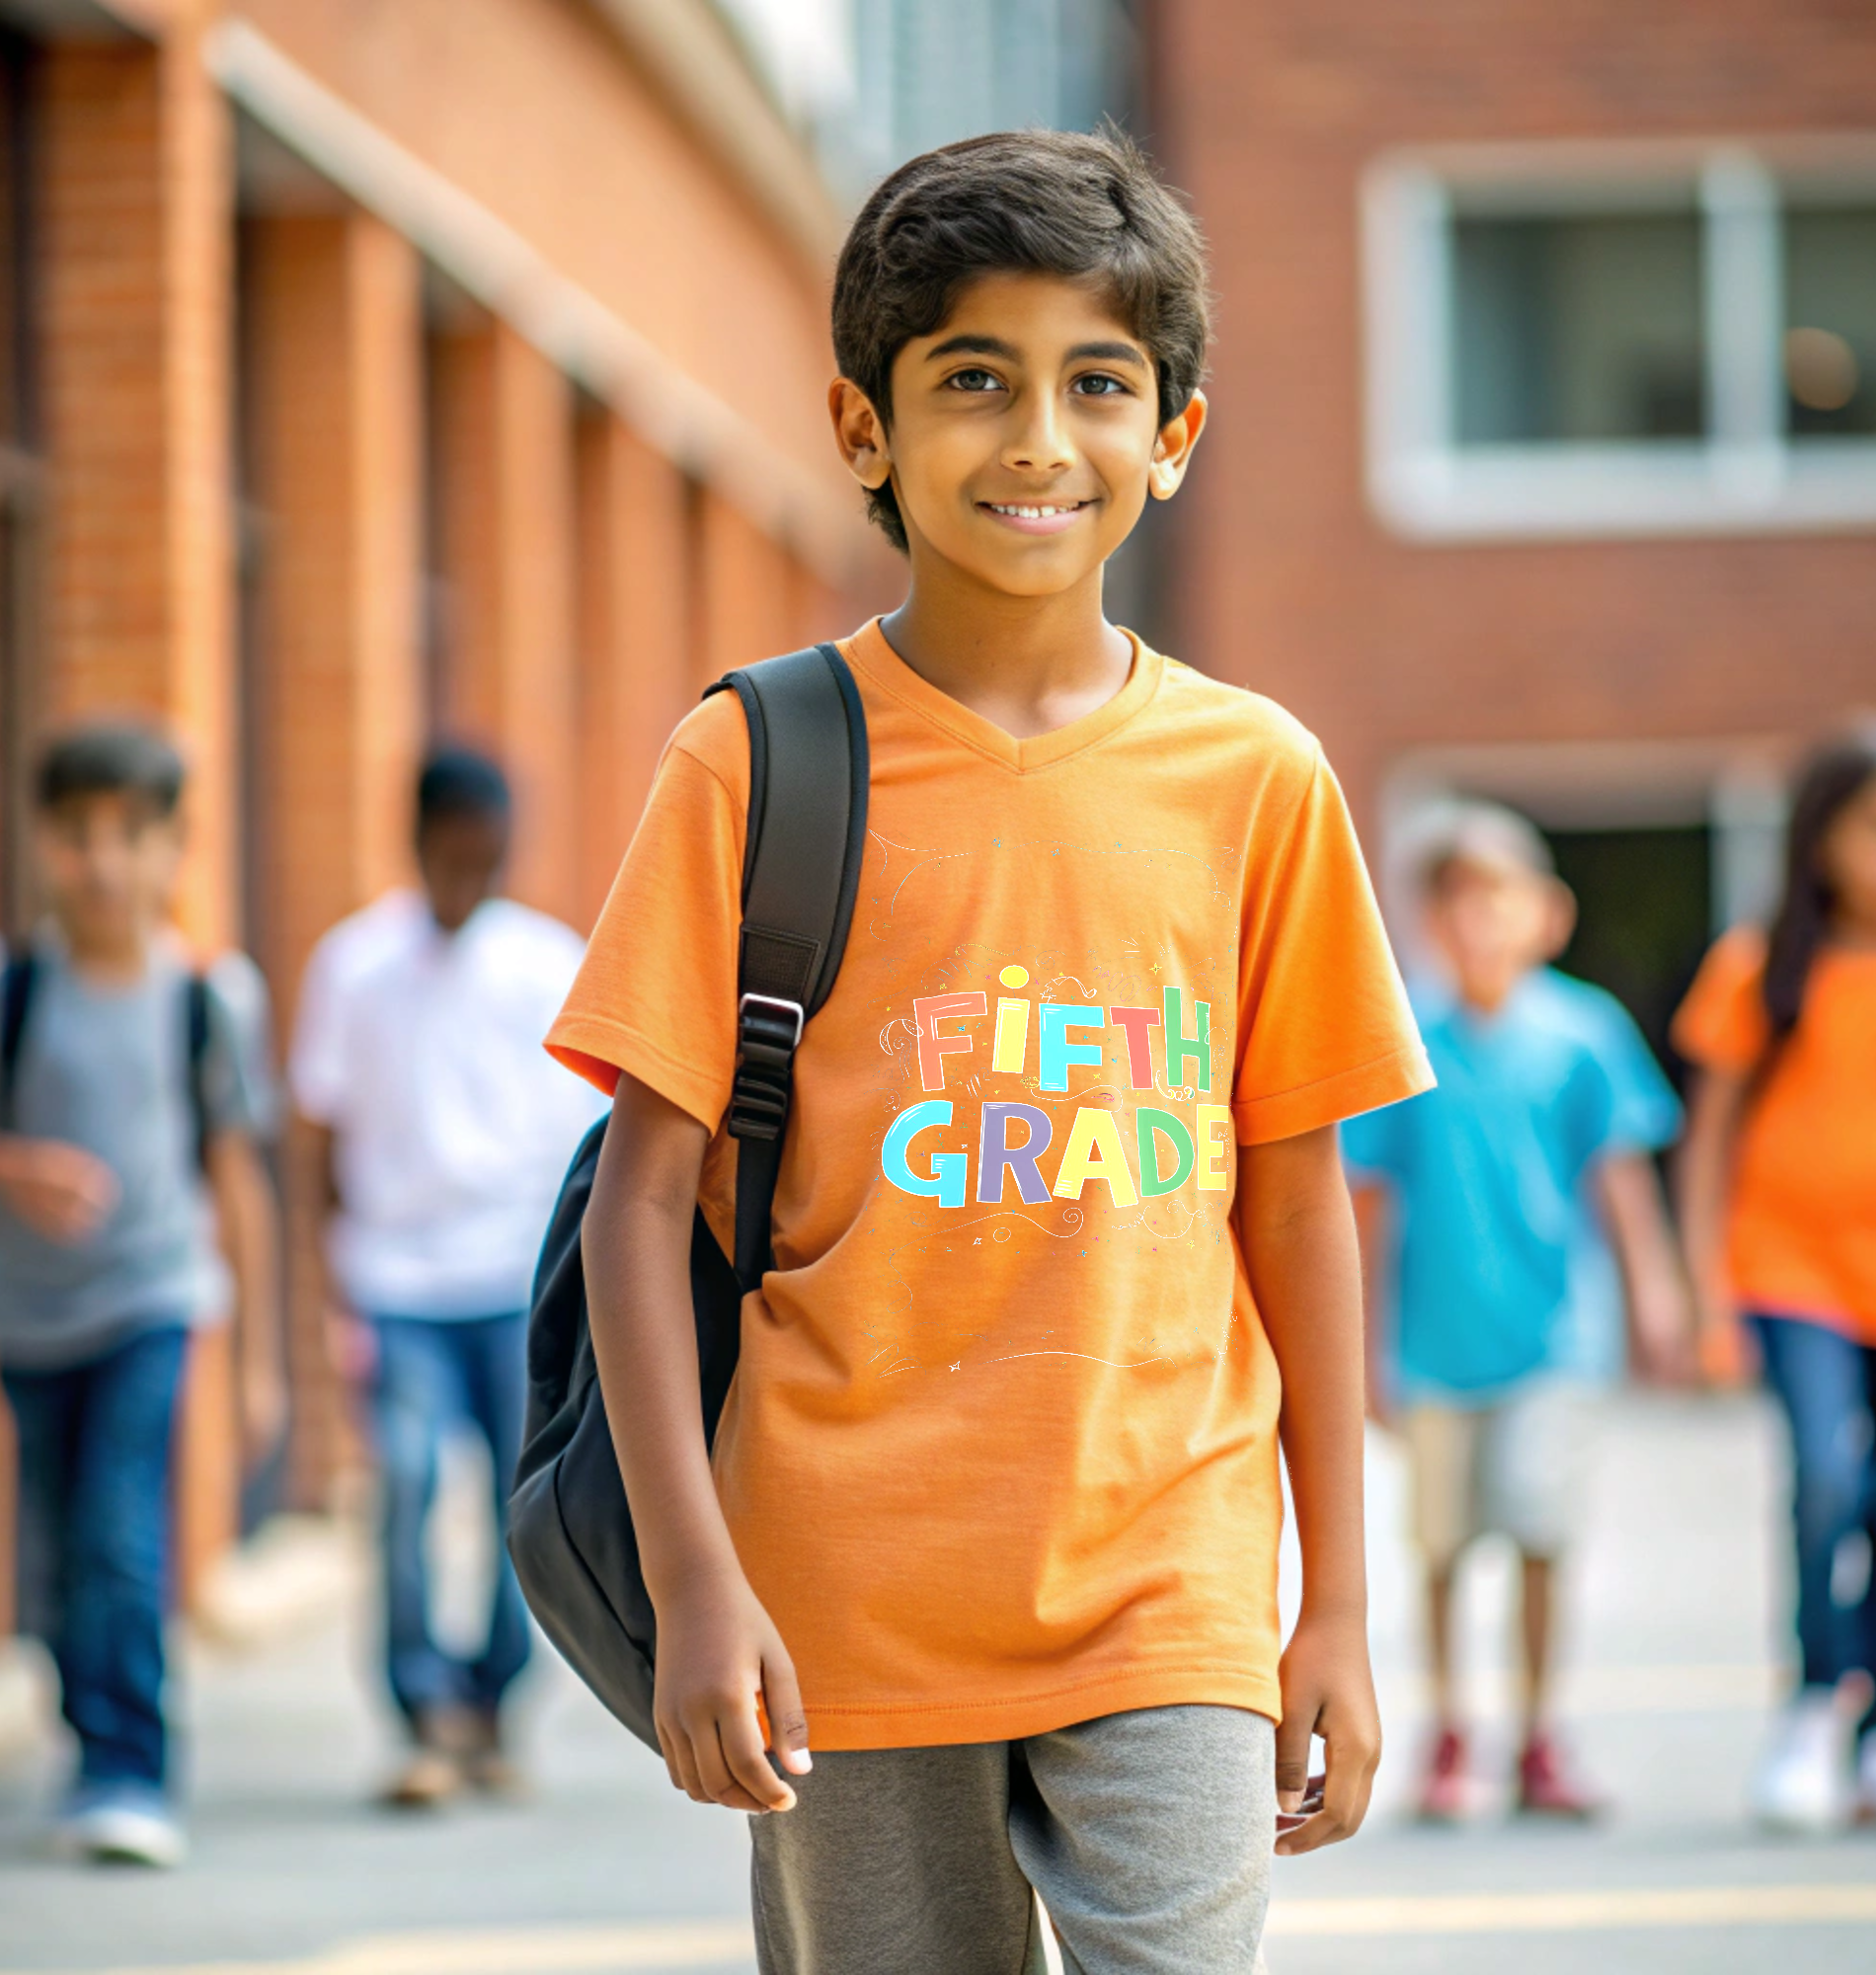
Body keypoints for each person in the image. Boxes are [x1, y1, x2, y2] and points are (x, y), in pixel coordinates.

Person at [547, 128, 1432, 1974]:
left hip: (1167, 1577)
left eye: (1098, 384)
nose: (1039, 440)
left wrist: (1334, 1601)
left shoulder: (1256, 781)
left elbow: (1298, 1202)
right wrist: (699, 1585)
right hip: (841, 1594)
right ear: (864, 428)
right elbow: (640, 1210)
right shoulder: (753, 763)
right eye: (974, 381)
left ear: (1174, 436)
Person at [1344, 803, 1692, 1824]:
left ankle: (1539, 1730)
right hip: (1433, 1346)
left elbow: (1619, 1179)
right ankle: (1450, 1727)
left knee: (1541, 1534)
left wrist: (1656, 1293)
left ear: (1546, 913)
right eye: (1454, 900)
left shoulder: (1581, 1034)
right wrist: (1360, 1352)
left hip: (1552, 1339)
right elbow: (1367, 1206)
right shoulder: (1401, 1037)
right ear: (1428, 920)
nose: (1477, 919)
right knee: (1442, 1549)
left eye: (1497, 896)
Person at [0, 723, 282, 1868]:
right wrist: (19, 1169)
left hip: (153, 1298)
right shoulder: (6, 991)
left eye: (129, 836)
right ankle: (89, 1731)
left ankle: (129, 1767)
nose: (102, 862)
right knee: (55, 1547)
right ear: (42, 842)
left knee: (117, 1528)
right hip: (29, 1310)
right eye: (77, 835)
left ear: (173, 850)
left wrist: (256, 1361)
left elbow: (237, 1177)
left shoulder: (208, 998)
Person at [290, 748, 602, 1808]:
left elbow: (586, 1151)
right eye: (452, 853)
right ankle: (423, 1710)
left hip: (513, 1275)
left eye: (488, 856)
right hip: (396, 1278)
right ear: (416, 841)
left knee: (528, 1502)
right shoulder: (355, 964)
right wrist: (332, 1285)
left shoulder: (546, 963)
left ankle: (492, 1704)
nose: (470, 875)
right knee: (410, 1487)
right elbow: (320, 1135)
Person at [1675, 720, 1876, 1834]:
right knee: (1823, 1488)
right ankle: (1806, 1707)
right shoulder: (1758, 967)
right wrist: (1704, 1294)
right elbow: (1707, 1142)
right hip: (1790, 1272)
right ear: (1820, 840)